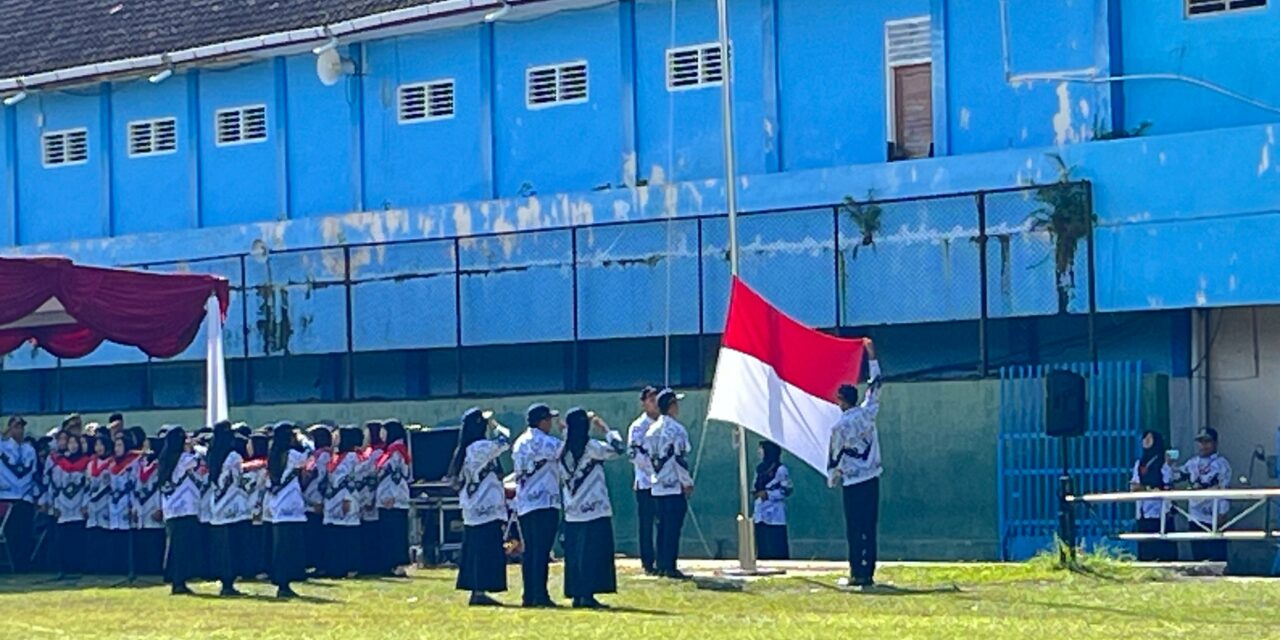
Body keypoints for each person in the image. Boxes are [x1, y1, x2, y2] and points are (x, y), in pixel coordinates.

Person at [828, 338, 883, 589]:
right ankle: (869, 572)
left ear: (841, 400)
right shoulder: (868, 413)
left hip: (852, 482)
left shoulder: (839, 427)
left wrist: (832, 477)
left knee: (854, 528)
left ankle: (856, 572)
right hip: (872, 478)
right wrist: (871, 356)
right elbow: (876, 384)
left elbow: (835, 456)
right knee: (869, 528)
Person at [559, 408, 626, 608]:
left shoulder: (562, 450)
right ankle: (588, 596)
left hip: (572, 511)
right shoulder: (593, 447)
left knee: (576, 556)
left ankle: (578, 594)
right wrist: (606, 429)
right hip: (595, 510)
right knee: (594, 554)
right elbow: (619, 448)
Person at [450, 408, 511, 607]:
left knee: (475, 550)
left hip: (474, 508)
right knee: (485, 550)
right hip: (485, 508)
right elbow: (505, 439)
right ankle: (479, 590)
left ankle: (478, 589)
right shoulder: (480, 447)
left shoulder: (467, 448)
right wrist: (495, 424)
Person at [513, 403, 563, 607]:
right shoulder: (546, 442)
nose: (550, 422)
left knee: (530, 550)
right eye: (548, 419)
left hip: (525, 503)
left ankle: (528, 594)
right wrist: (566, 430)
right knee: (542, 551)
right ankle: (540, 595)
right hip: (544, 502)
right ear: (542, 421)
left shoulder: (519, 442)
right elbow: (565, 450)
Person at [645, 389, 694, 580]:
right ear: (671, 406)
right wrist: (687, 482)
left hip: (657, 485)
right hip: (673, 485)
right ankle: (670, 565)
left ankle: (662, 563)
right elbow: (680, 459)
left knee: (662, 527)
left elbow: (647, 457)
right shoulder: (677, 430)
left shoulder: (651, 430)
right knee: (673, 528)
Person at [266, 423, 309, 598]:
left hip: (277, 505)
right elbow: (307, 457)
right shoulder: (291, 454)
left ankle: (282, 582)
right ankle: (284, 584)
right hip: (290, 504)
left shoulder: (273, 455)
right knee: (288, 548)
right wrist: (304, 440)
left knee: (280, 547)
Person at [158, 426, 201, 595]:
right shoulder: (183, 459)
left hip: (170, 509)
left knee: (173, 546)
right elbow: (198, 459)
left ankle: (175, 579)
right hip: (185, 509)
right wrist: (195, 446)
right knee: (182, 548)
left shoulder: (164, 458)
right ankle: (179, 581)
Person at [1179, 427, 1232, 562]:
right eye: (1201, 442)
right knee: (1198, 557)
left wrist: (1222, 513)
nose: (1203, 446)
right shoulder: (1192, 463)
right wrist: (1167, 464)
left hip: (1213, 516)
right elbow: (1176, 476)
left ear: (1215, 443)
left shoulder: (1221, 464)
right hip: (1194, 516)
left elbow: (1224, 490)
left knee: (1216, 558)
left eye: (1207, 442)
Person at [208, 422, 248, 596]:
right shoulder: (233, 456)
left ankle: (224, 582)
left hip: (216, 506)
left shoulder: (212, 454)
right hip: (233, 506)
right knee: (233, 548)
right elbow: (238, 479)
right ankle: (229, 584)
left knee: (222, 548)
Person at [627, 386, 661, 575]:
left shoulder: (665, 424)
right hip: (646, 483)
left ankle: (664, 560)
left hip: (665, 484)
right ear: (644, 403)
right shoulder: (638, 427)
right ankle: (648, 562)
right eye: (651, 399)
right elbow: (634, 454)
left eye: (657, 398)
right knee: (646, 525)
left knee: (663, 523)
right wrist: (654, 470)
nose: (654, 402)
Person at [1129, 430, 1176, 561]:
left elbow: (1167, 484)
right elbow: (1134, 486)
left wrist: (1168, 465)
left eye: (1150, 438)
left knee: (1162, 545)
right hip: (1143, 511)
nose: (1146, 441)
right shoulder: (1139, 463)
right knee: (1145, 545)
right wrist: (1148, 488)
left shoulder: (1163, 462)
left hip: (1160, 511)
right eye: (1145, 438)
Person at [323, 425, 363, 578]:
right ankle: (335, 567)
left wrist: (347, 498)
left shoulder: (351, 457)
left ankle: (351, 567)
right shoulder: (335, 457)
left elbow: (351, 479)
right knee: (335, 534)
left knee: (348, 533)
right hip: (332, 498)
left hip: (345, 497)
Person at [49, 433, 89, 578]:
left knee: (77, 537)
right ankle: (63, 568)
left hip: (79, 504)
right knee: (63, 538)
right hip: (63, 505)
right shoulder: (59, 463)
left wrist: (85, 505)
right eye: (70, 443)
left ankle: (79, 567)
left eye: (75, 442)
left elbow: (87, 486)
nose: (72, 445)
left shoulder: (86, 462)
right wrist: (53, 505)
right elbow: (53, 486)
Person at [0, 416, 37, 572]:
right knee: (10, 534)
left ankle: (23, 565)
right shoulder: (2, 447)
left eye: (21, 427)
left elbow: (34, 472)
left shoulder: (30, 449)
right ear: (10, 428)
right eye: (15, 427)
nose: (19, 430)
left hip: (25, 497)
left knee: (24, 534)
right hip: (7, 497)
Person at [377, 420, 412, 577]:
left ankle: (397, 564)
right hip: (386, 497)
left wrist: (392, 496)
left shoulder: (397, 450)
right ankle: (387, 563)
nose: (381, 435)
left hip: (393, 499)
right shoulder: (390, 450)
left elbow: (396, 477)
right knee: (387, 531)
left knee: (395, 532)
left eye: (384, 431)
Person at [104, 435, 139, 575]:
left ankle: (128, 568)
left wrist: (134, 506)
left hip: (126, 499)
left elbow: (135, 484)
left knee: (127, 536)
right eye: (116, 446)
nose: (117, 449)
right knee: (114, 535)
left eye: (120, 445)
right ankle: (115, 567)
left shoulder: (132, 463)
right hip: (114, 501)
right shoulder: (111, 463)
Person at [753, 440, 793, 561]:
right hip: (760, 509)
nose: (759, 452)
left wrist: (769, 494)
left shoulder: (780, 469)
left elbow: (787, 490)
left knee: (775, 540)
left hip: (775, 511)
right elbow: (754, 486)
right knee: (762, 539)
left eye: (761, 449)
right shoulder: (759, 469)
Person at [133, 430, 166, 576]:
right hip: (141, 504)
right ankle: (143, 568)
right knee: (142, 539)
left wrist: (160, 508)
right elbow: (134, 485)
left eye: (149, 447)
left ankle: (156, 568)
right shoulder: (139, 465)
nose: (146, 451)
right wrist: (134, 507)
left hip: (154, 504)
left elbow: (162, 488)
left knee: (155, 539)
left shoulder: (160, 465)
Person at [302, 425, 333, 576]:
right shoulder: (315, 454)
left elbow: (322, 478)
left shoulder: (324, 455)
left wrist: (319, 499)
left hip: (316, 498)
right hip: (309, 497)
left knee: (317, 534)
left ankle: (321, 565)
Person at [242, 429, 271, 579]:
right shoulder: (270, 463)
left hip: (253, 505)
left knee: (253, 540)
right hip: (264, 506)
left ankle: (254, 568)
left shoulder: (251, 466)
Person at [84, 431, 113, 574]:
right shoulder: (90, 464)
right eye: (97, 445)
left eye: (102, 444)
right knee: (92, 535)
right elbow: (87, 484)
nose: (99, 448)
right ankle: (92, 566)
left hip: (106, 502)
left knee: (105, 533)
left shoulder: (111, 463)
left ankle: (106, 565)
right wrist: (85, 503)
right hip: (92, 503)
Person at [359, 420, 385, 575]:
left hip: (371, 494)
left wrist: (370, 498)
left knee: (373, 531)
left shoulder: (379, 452)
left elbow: (373, 474)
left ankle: (374, 563)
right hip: (362, 493)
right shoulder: (368, 451)